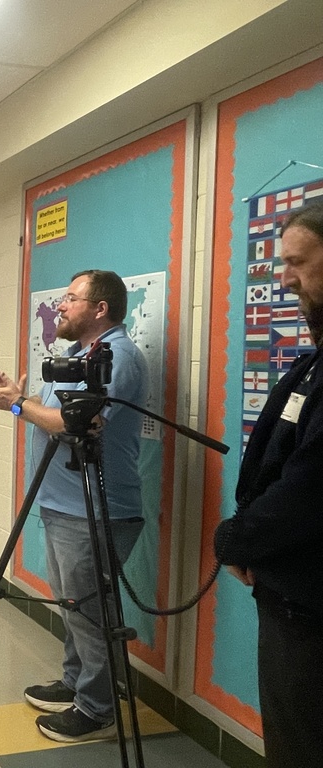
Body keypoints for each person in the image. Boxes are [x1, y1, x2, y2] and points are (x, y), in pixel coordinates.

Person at [0, 269, 148, 742]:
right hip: (62, 505)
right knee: (74, 605)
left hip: (96, 508)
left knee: (90, 611)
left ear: (100, 308)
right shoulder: (76, 357)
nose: (61, 306)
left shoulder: (118, 358)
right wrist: (14, 400)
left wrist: (21, 403)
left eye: (71, 298)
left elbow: (70, 424)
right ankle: (74, 683)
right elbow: (47, 418)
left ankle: (96, 707)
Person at [214, 201, 323, 768]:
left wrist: (238, 538)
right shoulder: (310, 366)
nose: (285, 278)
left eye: (298, 262)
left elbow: (310, 486)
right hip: (285, 590)